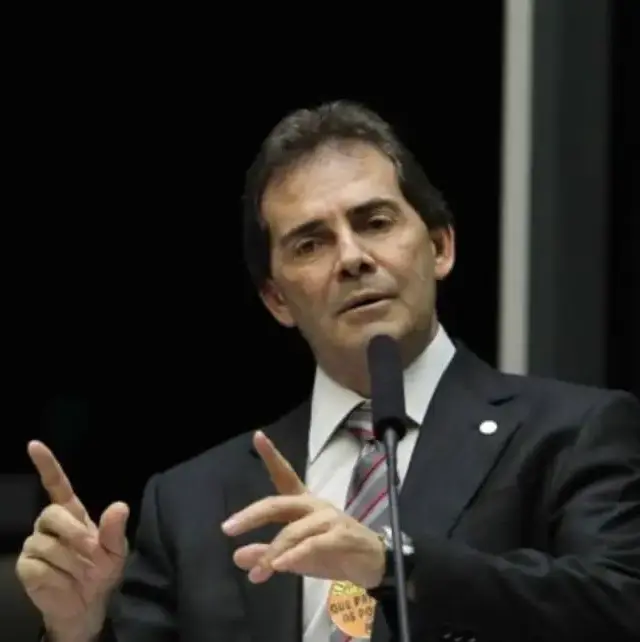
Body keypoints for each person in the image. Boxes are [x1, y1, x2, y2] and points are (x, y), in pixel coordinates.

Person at [16, 100, 640, 642]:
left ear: (440, 246)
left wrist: (392, 561)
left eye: (375, 222)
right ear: (277, 300)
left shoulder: (570, 434)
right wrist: (78, 627)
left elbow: (618, 608)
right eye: (310, 242)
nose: (352, 258)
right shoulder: (192, 502)